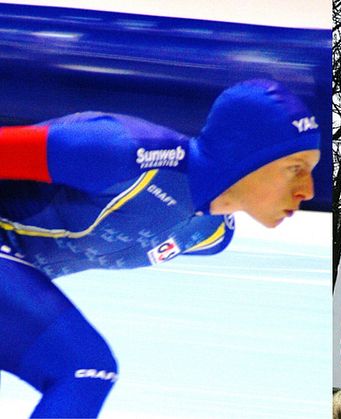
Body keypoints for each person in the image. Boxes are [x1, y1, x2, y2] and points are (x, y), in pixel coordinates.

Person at [0, 79, 320, 417]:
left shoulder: (211, 236)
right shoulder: (122, 153)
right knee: (83, 367)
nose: (308, 190)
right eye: (294, 168)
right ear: (244, 154)